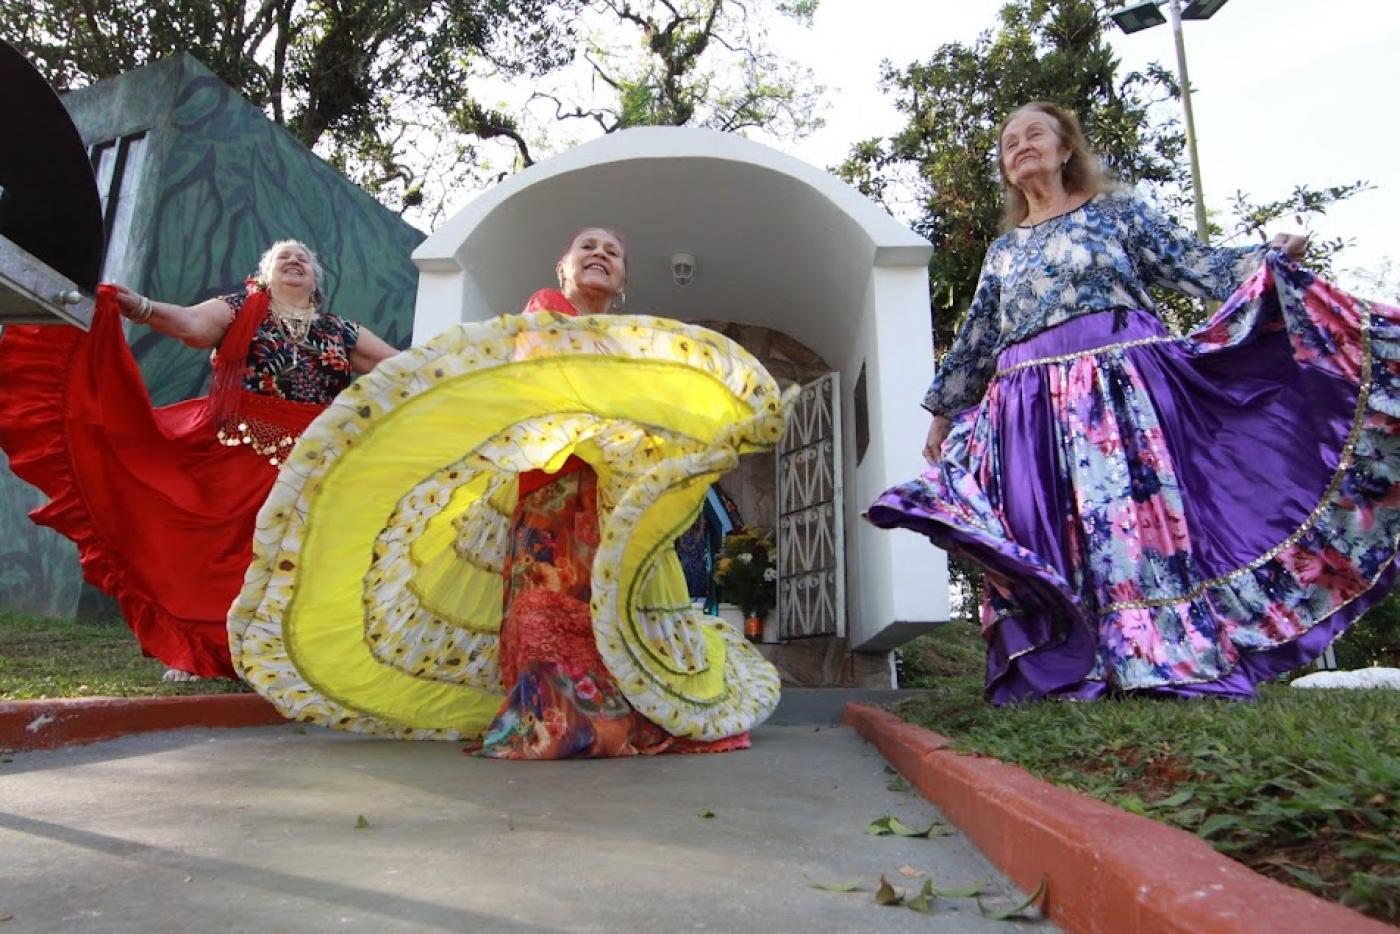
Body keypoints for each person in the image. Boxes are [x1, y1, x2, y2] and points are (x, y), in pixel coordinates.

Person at [867, 101, 1400, 704]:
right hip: (1028, 408)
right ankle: (1073, 665)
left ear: (1067, 149)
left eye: (1034, 133)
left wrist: (1267, 257)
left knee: (1126, 525)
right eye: (1009, 141)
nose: (1020, 145)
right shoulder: (1002, 254)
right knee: (1051, 533)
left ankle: (1155, 654)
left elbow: (1193, 264)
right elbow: (977, 341)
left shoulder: (1116, 213)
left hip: (1115, 394)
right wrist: (943, 412)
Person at [228, 227, 786, 755]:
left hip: (616, 502)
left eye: (611, 252)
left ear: (623, 281)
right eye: (586, 247)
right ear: (562, 269)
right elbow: (550, 389)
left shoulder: (633, 346)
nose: (599, 254)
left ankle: (619, 717)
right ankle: (558, 724)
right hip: (550, 494)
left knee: (616, 613)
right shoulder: (546, 310)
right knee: (549, 602)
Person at [0, 240, 396, 680]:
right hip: (239, 451)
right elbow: (192, 326)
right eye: (283, 256)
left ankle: (288, 659)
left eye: (304, 257)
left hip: (315, 462)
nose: (294, 260)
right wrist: (142, 307)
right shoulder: (240, 307)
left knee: (303, 560)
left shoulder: (340, 332)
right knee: (219, 554)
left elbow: (398, 368)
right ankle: (203, 650)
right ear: (266, 273)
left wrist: (460, 371)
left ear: (315, 279)